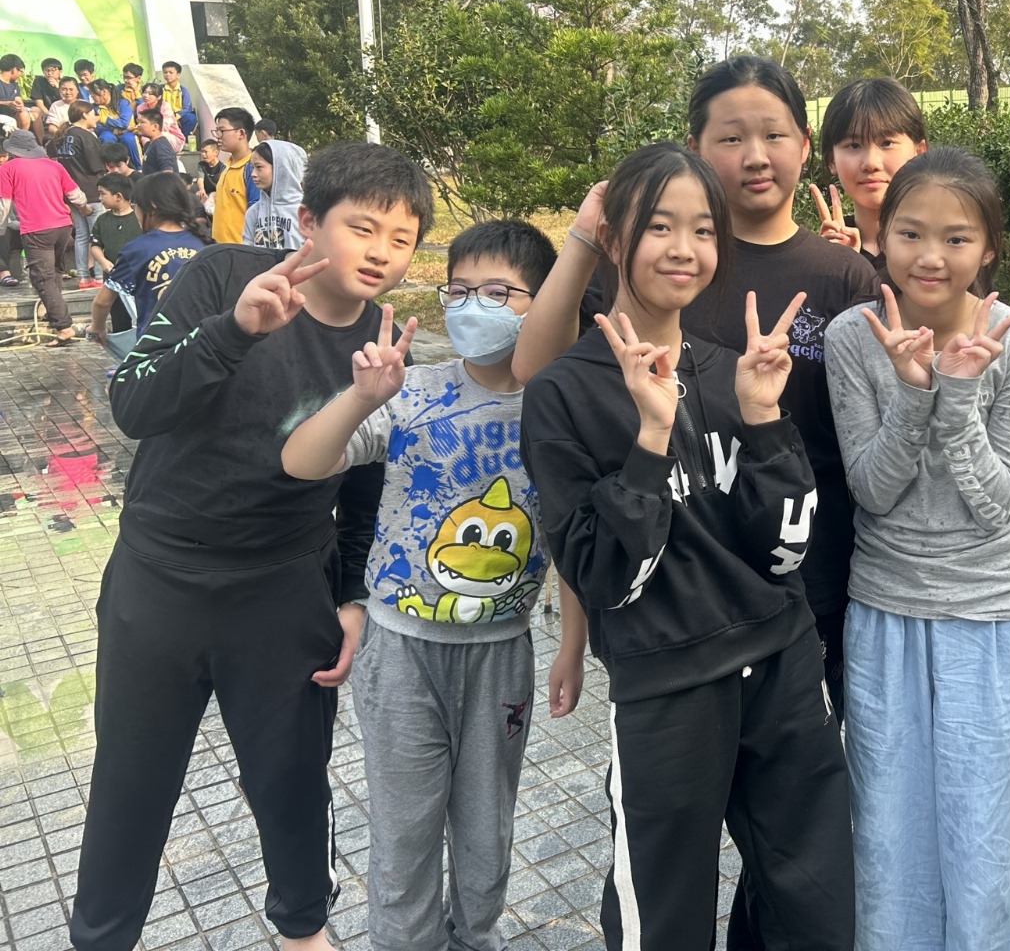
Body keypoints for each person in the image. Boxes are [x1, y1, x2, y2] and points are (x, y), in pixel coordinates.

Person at [69, 142, 433, 951]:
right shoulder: (223, 275)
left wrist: (351, 596)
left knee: (293, 784)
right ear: (308, 220)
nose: (381, 251)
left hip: (283, 589)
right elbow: (133, 405)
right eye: (363, 227)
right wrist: (232, 332)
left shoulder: (381, 340)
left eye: (402, 238)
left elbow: (365, 483)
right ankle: (101, 937)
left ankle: (304, 932)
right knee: (130, 783)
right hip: (160, 580)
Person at [523, 141, 855, 951]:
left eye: (704, 229)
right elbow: (605, 577)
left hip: (781, 669)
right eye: (659, 226)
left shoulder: (735, 373)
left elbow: (784, 554)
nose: (684, 248)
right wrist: (650, 438)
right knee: (663, 920)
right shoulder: (563, 393)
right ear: (613, 238)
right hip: (666, 688)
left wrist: (766, 422)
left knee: (816, 908)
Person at [521, 56, 877, 728]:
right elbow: (543, 379)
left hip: (809, 570)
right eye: (730, 137)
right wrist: (586, 237)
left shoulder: (844, 273)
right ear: (696, 148)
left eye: (774, 134)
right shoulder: (647, 269)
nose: (755, 155)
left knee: (817, 764)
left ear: (805, 144)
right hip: (670, 602)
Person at [282, 219, 588, 951]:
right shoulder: (412, 391)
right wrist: (361, 399)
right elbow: (301, 460)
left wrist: (571, 646)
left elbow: (574, 539)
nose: (473, 306)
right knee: (405, 830)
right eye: (460, 290)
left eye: (498, 292)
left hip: (502, 654)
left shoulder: (561, 409)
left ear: (543, 301)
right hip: (399, 652)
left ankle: (474, 938)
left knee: (487, 830)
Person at [824, 147, 1010, 950]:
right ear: (881, 237)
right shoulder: (854, 337)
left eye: (957, 238)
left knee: (992, 825)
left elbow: (1005, 508)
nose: (931, 256)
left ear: (988, 248)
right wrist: (913, 393)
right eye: (911, 233)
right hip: (886, 609)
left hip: (995, 617)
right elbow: (872, 490)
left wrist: (955, 394)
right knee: (890, 827)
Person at [813, 77, 927, 267]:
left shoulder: (947, 245)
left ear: (919, 153)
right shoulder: (820, 256)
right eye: (854, 145)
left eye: (887, 143)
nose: (871, 163)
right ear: (831, 159)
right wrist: (835, 270)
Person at [90, 172, 209, 350]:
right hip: (201, 345)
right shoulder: (204, 243)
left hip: (155, 348)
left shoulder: (138, 249)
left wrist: (97, 328)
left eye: (136, 206)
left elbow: (102, 302)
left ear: (151, 207)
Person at [0, 127, 89, 343]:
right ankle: (53, 314)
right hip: (63, 226)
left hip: (36, 229)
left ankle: (63, 326)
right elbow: (76, 195)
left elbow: (4, 205)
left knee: (42, 277)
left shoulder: (8, 169)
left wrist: (1, 229)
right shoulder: (54, 165)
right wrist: (84, 208)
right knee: (55, 272)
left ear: (13, 150)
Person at [54, 100, 109, 285]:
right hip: (92, 192)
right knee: (97, 236)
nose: (96, 117)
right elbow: (96, 166)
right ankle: (99, 276)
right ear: (84, 114)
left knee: (82, 236)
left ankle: (83, 277)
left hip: (72, 194)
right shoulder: (86, 136)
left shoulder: (63, 135)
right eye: (93, 113)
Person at [90, 174, 143, 329]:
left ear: (118, 196)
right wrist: (103, 261)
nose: (100, 198)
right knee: (119, 318)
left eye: (103, 194)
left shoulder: (139, 218)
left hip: (138, 278)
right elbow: (95, 245)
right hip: (114, 278)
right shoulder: (102, 220)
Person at [241, 139, 307, 250]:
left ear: (281, 168)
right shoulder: (253, 212)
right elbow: (247, 252)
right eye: (252, 167)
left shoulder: (305, 211)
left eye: (259, 167)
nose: (253, 174)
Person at [210, 108, 262, 243]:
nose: (218, 136)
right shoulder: (226, 166)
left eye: (222, 130)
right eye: (217, 131)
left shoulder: (252, 169)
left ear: (241, 133)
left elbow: (257, 216)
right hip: (220, 249)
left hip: (240, 251)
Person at [92, 79, 139, 168]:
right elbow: (97, 127)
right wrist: (116, 130)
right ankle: (111, 167)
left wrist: (103, 119)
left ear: (103, 92)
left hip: (128, 133)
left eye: (93, 93)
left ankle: (138, 168)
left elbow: (123, 123)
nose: (91, 96)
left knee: (128, 138)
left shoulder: (123, 103)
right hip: (111, 134)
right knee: (106, 136)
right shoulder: (95, 107)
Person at [133, 106, 180, 175]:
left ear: (155, 126)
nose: (138, 125)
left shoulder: (161, 146)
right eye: (138, 122)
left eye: (142, 122)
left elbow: (168, 174)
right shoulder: (150, 144)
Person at [160, 60, 197, 143]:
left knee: (191, 118)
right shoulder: (160, 89)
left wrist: (177, 116)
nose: (167, 75)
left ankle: (182, 140)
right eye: (165, 72)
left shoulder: (183, 90)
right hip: (164, 115)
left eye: (171, 72)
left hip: (179, 115)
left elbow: (187, 107)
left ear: (178, 75)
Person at [0, 53, 30, 133]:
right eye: (20, 71)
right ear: (14, 69)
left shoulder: (14, 84)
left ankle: (37, 141)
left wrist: (19, 105)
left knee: (33, 112)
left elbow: (18, 99)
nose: (20, 74)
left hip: (11, 113)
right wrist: (8, 103)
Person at [30, 56, 62, 130]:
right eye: (46, 70)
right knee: (34, 109)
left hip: (61, 112)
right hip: (46, 113)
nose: (49, 73)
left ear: (60, 72)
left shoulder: (65, 83)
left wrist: (57, 87)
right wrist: (50, 116)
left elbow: (67, 101)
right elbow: (39, 103)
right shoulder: (39, 82)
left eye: (53, 70)